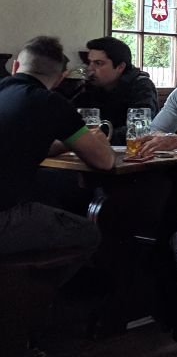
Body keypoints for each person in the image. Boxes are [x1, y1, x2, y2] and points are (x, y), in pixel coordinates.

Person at [0, 36, 114, 272]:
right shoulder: (51, 102)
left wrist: (69, 143)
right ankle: (44, 298)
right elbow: (104, 161)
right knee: (88, 231)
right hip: (5, 219)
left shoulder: (4, 91)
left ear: (16, 67)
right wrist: (98, 139)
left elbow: (27, 143)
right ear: (61, 78)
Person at [73, 36, 159, 144]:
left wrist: (91, 138)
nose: (90, 69)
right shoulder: (91, 86)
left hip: (133, 155)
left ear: (120, 67)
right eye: (89, 63)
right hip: (97, 151)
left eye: (98, 63)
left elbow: (140, 129)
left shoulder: (141, 86)